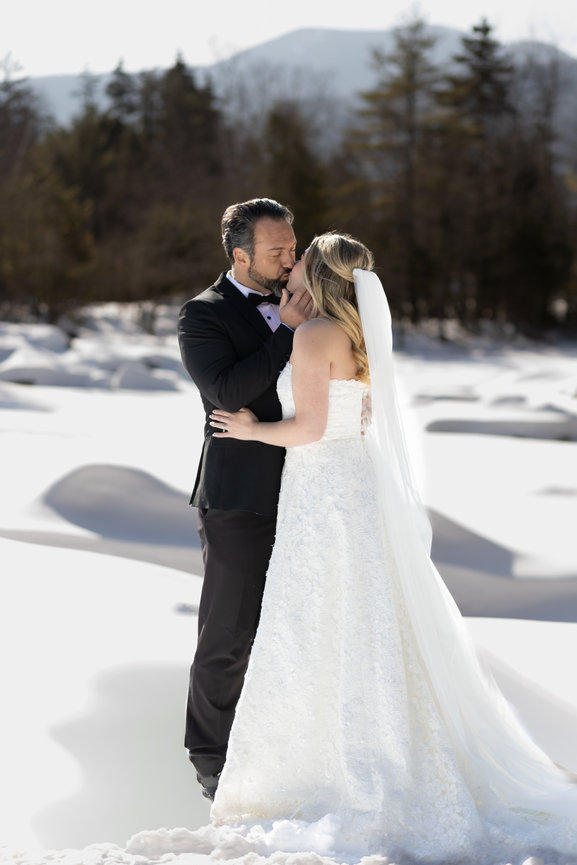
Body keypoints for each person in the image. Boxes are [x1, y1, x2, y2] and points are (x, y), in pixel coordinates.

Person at [195, 232, 577, 864]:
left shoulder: (314, 335)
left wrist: (251, 429)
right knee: (366, 617)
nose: (290, 272)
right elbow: (355, 415)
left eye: (300, 265)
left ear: (317, 275)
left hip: (324, 488)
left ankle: (319, 770)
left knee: (318, 620)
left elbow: (312, 427)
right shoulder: (360, 333)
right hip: (354, 483)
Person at [177, 198, 312, 802]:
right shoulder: (202, 316)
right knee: (228, 630)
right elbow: (229, 391)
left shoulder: (309, 303)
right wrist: (285, 330)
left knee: (298, 626)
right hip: (239, 496)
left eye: (293, 245)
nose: (291, 258)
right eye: (277, 250)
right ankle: (211, 759)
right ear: (240, 255)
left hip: (313, 489)